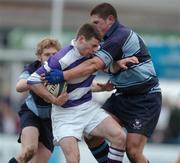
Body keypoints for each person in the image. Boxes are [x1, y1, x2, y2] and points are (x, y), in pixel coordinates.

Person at [44, 3, 162, 163]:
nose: (92, 26)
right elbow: (98, 64)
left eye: (96, 22)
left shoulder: (120, 36)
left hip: (144, 99)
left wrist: (63, 75)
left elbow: (94, 65)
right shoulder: (103, 40)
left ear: (110, 20)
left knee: (133, 151)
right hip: (121, 96)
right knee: (92, 136)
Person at [27, 23, 127, 163]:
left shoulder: (95, 52)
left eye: (97, 46)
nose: (94, 50)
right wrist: (53, 99)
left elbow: (102, 66)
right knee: (74, 159)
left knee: (120, 137)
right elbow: (32, 80)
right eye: (92, 46)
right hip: (65, 115)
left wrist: (118, 64)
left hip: (87, 108)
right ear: (81, 39)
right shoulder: (61, 58)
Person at [8, 38, 68, 163]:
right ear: (39, 57)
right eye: (47, 54)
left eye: (54, 54)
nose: (51, 58)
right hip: (32, 113)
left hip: (51, 120)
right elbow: (19, 86)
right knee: (29, 150)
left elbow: (84, 84)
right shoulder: (32, 68)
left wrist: (102, 87)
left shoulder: (64, 71)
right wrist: (39, 79)